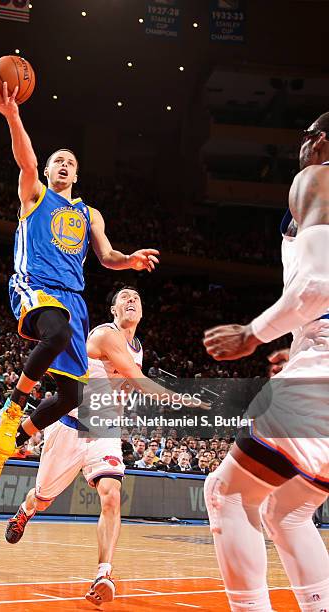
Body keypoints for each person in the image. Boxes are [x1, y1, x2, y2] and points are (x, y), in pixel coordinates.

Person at [0, 81, 160, 484]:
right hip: (35, 284)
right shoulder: (34, 194)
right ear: (47, 171)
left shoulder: (89, 213)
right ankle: (11, 411)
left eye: (70, 162)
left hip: (73, 297)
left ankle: (9, 442)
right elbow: (25, 161)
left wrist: (128, 260)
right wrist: (13, 116)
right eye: (57, 161)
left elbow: (107, 256)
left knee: (71, 396)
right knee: (58, 332)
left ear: (77, 173)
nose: (63, 165)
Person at [4, 286, 208, 606]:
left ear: (141, 313)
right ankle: (26, 511)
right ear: (113, 310)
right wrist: (184, 399)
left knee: (112, 497)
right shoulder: (105, 335)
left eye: (136, 299)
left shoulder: (137, 346)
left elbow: (123, 390)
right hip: (70, 427)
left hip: (104, 430)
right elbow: (137, 379)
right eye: (124, 298)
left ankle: (104, 573)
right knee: (42, 499)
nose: (131, 301)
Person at [203, 113, 329, 612]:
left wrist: (252, 334)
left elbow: (317, 287)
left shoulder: (317, 176)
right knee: (288, 511)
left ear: (319, 141)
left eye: (304, 138)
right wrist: (296, 345)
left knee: (227, 495)